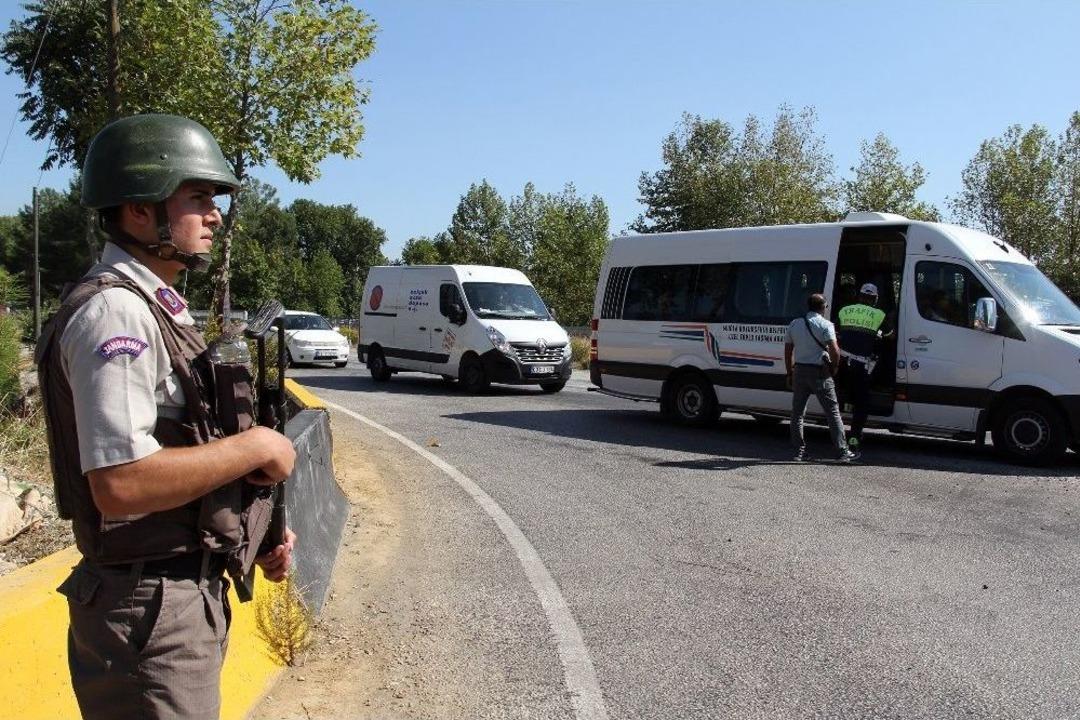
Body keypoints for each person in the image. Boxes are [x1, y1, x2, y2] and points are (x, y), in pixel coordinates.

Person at [35, 114, 298, 720]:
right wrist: (256, 445)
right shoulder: (117, 315)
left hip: (173, 597)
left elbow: (183, 449)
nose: (215, 215)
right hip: (149, 608)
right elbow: (121, 483)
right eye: (199, 197)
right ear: (137, 207)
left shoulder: (154, 306)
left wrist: (253, 536)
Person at [784, 293, 856, 462]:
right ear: (823, 307)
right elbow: (835, 350)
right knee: (832, 412)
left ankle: (799, 451)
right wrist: (835, 367)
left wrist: (789, 373)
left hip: (800, 372)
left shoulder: (794, 324)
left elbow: (788, 352)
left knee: (797, 413)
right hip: (819, 373)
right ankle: (842, 451)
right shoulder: (826, 325)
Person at [837, 282, 894, 453]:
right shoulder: (879, 314)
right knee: (862, 404)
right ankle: (854, 438)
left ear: (859, 296)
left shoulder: (844, 310)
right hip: (861, 366)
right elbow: (891, 336)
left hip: (842, 364)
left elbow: (837, 332)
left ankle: (838, 434)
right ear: (875, 299)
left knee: (839, 401)